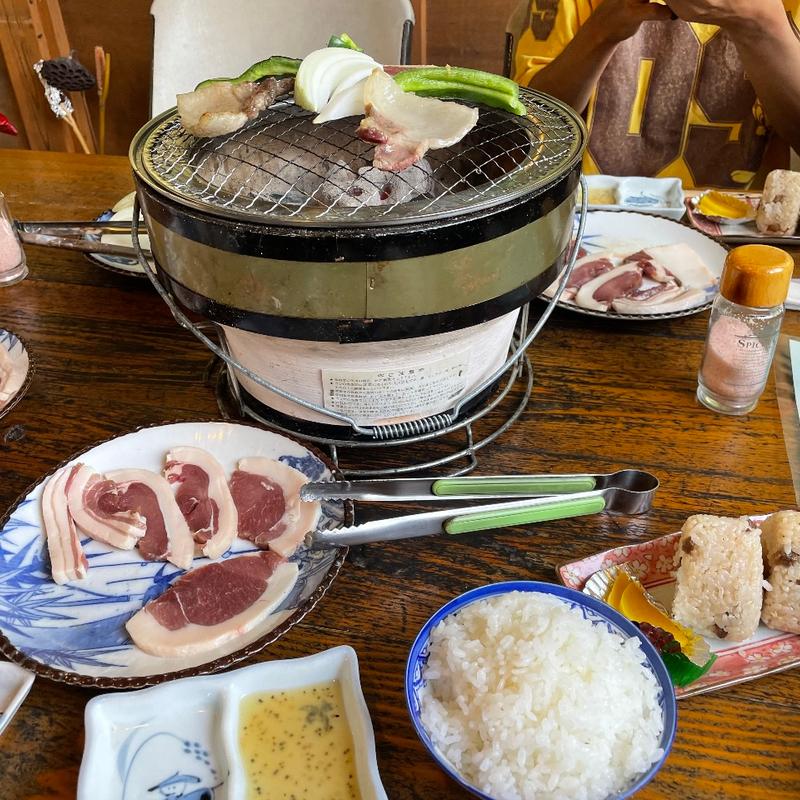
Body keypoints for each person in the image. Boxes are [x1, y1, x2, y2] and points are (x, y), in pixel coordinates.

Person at [513, 1, 800, 188]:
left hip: (746, 232)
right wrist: (601, 31)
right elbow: (525, 133)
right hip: (588, 219)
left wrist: (763, 24)